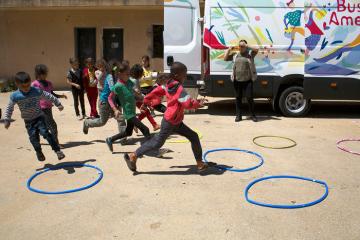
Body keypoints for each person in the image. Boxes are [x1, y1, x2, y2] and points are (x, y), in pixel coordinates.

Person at [123, 62, 209, 174]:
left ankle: (200, 164)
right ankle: (133, 156)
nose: (185, 76)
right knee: (157, 143)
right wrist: (198, 103)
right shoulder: (178, 88)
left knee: (194, 136)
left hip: (176, 121)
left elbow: (156, 91)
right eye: (184, 74)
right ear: (177, 75)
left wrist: (146, 101)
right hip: (170, 121)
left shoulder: (168, 84)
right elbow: (187, 104)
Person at [4, 72, 65, 161]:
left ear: (30, 82)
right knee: (34, 138)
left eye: (28, 85)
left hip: (39, 117)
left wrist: (58, 103)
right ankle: (39, 152)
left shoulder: (36, 91)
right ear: (17, 84)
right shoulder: (15, 96)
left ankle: (58, 151)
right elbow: (9, 108)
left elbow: (48, 96)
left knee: (46, 133)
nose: (26, 88)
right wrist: (7, 119)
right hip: (28, 121)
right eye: (23, 86)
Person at [105, 62, 151, 153]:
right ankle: (154, 149)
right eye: (127, 74)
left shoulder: (128, 81)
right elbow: (109, 98)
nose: (129, 75)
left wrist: (137, 93)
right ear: (120, 74)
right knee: (145, 129)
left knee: (128, 132)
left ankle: (110, 139)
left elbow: (132, 89)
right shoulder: (118, 86)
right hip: (128, 113)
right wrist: (115, 109)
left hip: (132, 111)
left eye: (129, 73)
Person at [83, 59, 127, 138]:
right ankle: (87, 123)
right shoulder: (105, 75)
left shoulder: (114, 76)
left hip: (112, 99)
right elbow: (111, 87)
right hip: (104, 99)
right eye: (116, 69)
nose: (118, 71)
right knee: (102, 122)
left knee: (120, 118)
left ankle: (123, 137)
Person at [224, 39, 259, 122]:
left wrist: (247, 45)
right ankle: (238, 116)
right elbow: (225, 58)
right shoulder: (235, 55)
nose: (241, 47)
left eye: (243, 46)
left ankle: (253, 115)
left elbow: (257, 49)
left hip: (248, 80)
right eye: (240, 46)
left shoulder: (250, 54)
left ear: (246, 47)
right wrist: (229, 49)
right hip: (237, 80)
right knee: (238, 98)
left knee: (249, 98)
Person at [32, 64, 67, 145]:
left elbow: (51, 94)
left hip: (48, 107)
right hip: (40, 107)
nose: (44, 75)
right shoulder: (34, 84)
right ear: (37, 74)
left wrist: (61, 96)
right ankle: (56, 143)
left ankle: (38, 131)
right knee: (52, 125)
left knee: (46, 125)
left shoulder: (49, 83)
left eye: (44, 73)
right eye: (41, 74)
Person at [130, 64, 160, 132]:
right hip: (137, 99)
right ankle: (154, 125)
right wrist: (145, 98)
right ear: (138, 73)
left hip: (135, 99)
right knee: (146, 111)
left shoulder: (131, 79)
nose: (142, 75)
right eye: (141, 73)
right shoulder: (135, 80)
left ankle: (136, 124)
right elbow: (137, 92)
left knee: (145, 112)